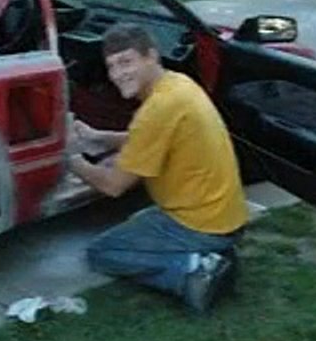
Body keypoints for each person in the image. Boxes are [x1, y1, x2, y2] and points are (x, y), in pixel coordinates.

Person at [66, 23, 248, 314]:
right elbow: (150, 139)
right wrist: (97, 136)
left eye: (127, 62)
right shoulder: (177, 85)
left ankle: (194, 273)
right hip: (225, 216)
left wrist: (70, 158)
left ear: (151, 56)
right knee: (140, 220)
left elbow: (113, 186)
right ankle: (213, 255)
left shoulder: (156, 110)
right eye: (112, 66)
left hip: (201, 223)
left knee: (103, 252)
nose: (118, 74)